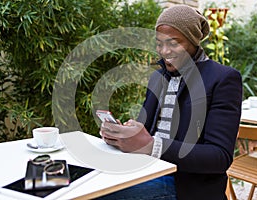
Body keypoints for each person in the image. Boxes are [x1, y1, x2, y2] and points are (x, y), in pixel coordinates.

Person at [98, 4, 242, 200]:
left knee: (99, 194)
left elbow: (219, 157)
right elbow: (146, 131)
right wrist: (125, 134)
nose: (164, 51)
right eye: (159, 43)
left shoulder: (222, 79)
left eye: (174, 43)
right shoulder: (158, 78)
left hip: (184, 186)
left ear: (193, 42)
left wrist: (152, 145)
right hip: (147, 170)